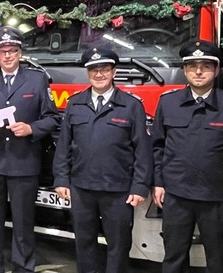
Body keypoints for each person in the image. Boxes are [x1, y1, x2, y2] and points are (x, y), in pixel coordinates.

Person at [152, 40, 223, 273]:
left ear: (216, 70)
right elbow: (157, 147)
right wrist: (158, 182)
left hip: (218, 198)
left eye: (206, 65)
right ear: (184, 70)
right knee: (173, 256)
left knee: (219, 259)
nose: (199, 71)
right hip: (177, 196)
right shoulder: (168, 103)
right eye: (192, 66)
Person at [0, 26, 60, 273]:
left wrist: (31, 128)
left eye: (13, 51)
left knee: (23, 223)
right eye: (3, 51)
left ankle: (23, 267)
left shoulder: (37, 79)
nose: (7, 56)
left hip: (24, 163)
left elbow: (52, 118)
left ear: (20, 53)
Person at [53, 47, 152, 273]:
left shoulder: (131, 105)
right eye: (94, 70)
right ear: (88, 73)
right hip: (81, 187)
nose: (99, 74)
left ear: (114, 72)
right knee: (84, 241)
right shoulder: (75, 103)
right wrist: (61, 179)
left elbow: (142, 151)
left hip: (118, 189)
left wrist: (140, 186)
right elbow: (64, 144)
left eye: (104, 69)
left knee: (118, 244)